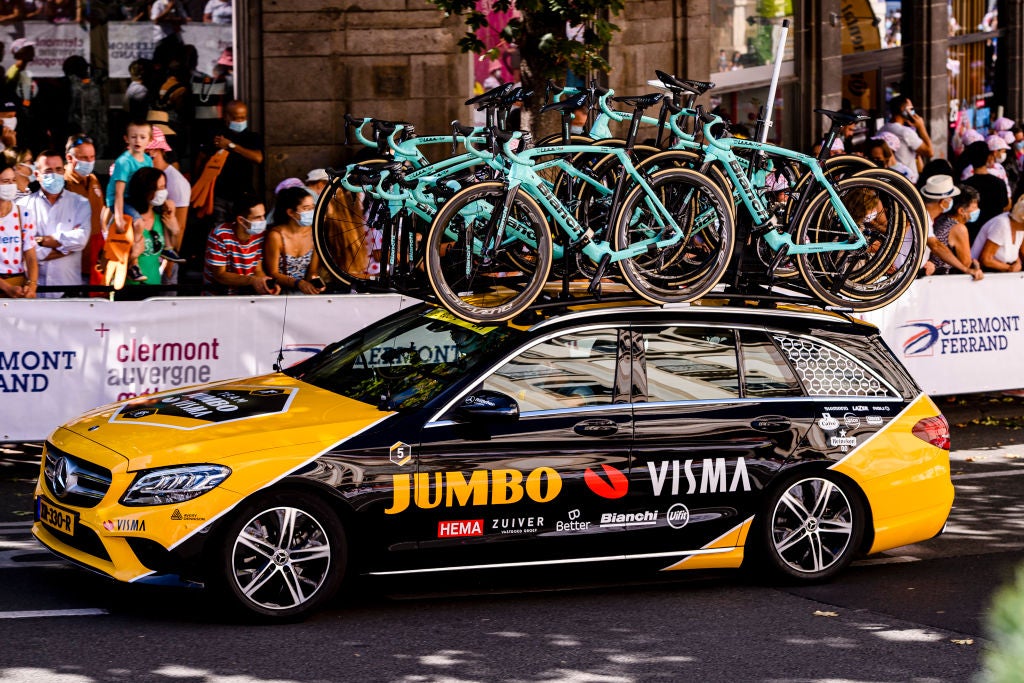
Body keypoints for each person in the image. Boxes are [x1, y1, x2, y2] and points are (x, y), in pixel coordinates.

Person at [20, 150, 90, 297]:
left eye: (58, 170)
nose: (54, 175)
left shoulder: (80, 203)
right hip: (34, 293)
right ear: (37, 175)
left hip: (69, 291)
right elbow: (21, 250)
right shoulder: (22, 206)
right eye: (48, 170)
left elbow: (80, 240)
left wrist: (39, 242)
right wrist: (66, 247)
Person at [196, 99, 264, 224]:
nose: (240, 121)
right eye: (236, 118)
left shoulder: (251, 137)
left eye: (243, 118)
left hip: (243, 194)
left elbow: (258, 158)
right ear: (227, 117)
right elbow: (201, 158)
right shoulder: (216, 135)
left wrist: (231, 145)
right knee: (219, 230)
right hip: (219, 195)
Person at [105, 120, 154, 281]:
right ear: (126, 139)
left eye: (142, 137)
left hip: (136, 199)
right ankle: (132, 261)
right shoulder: (124, 162)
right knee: (138, 224)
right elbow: (118, 193)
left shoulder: (148, 160)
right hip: (120, 200)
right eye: (134, 137)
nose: (138, 141)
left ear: (150, 140)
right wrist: (118, 216)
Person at [203, 193, 279, 295]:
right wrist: (253, 280)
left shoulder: (259, 235)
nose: (263, 221)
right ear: (241, 220)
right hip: (218, 296)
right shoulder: (220, 235)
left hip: (245, 295)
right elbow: (220, 275)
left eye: (263, 216)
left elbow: (257, 269)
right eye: (257, 217)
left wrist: (266, 284)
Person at [124, 167, 180, 287]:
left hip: (154, 285)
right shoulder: (126, 219)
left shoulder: (160, 217)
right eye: (158, 188)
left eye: (164, 187)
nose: (162, 192)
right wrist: (132, 256)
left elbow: (171, 249)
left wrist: (175, 230)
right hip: (127, 289)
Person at [264, 186, 324, 295]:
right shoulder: (276, 236)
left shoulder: (315, 234)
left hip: (304, 293)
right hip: (279, 294)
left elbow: (312, 271)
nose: (312, 212)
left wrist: (316, 281)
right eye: (306, 208)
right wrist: (298, 283)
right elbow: (273, 273)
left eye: (313, 207)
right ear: (291, 212)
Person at [63, 134, 105, 287]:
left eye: (92, 157)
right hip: (72, 263)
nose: (89, 162)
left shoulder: (93, 179)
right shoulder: (61, 184)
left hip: (95, 261)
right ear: (69, 158)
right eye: (84, 158)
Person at [921, 176, 983, 279]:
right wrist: (970, 267)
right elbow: (966, 263)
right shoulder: (959, 228)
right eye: (974, 207)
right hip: (942, 279)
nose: (977, 210)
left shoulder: (939, 219)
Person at [0, 158, 37, 298]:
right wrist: (6, 288)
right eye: (5, 182)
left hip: (18, 284)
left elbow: (31, 256)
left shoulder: (23, 214)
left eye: (13, 181)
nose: (10, 185)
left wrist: (32, 285)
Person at [962, 139, 1011, 242]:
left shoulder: (965, 186)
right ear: (989, 157)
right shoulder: (999, 183)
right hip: (994, 234)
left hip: (972, 235)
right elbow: (1006, 206)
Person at [880, 95, 933, 182]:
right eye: (910, 108)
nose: (913, 112)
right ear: (903, 109)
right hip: (907, 180)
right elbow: (929, 152)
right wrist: (921, 127)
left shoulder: (883, 129)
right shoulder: (905, 132)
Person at [971, 195, 1024, 273]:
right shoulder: (1002, 224)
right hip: (983, 273)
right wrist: (1009, 268)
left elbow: (1020, 252)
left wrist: (1017, 264)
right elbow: (986, 259)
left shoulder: (1020, 226)